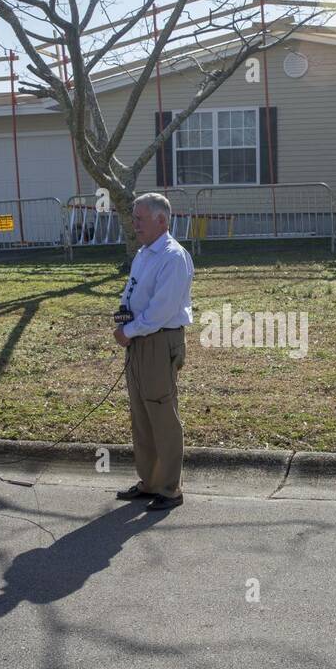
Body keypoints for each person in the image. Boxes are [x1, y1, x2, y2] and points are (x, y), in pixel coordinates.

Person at [113, 193, 193, 511]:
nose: (135, 224)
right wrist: (122, 316)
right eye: (134, 218)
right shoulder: (144, 253)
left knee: (161, 414)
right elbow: (131, 291)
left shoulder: (173, 257)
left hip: (159, 341)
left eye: (140, 218)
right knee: (141, 414)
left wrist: (128, 331)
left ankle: (170, 488)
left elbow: (161, 310)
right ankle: (150, 481)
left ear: (162, 219)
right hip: (138, 340)